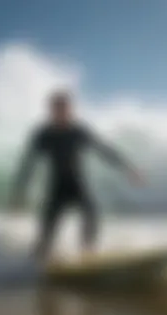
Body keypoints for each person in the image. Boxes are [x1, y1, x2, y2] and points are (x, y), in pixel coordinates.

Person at [8, 90, 144, 262]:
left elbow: (103, 150)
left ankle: (87, 254)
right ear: (51, 111)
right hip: (57, 188)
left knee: (91, 212)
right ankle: (36, 262)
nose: (61, 113)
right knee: (47, 231)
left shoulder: (78, 131)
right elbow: (28, 164)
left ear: (70, 110)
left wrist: (128, 168)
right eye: (56, 109)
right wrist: (19, 192)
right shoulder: (43, 135)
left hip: (77, 184)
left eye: (64, 108)